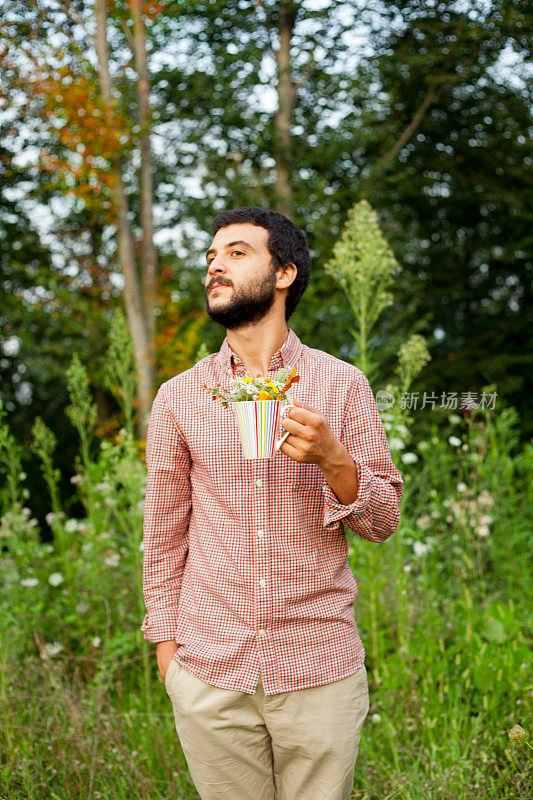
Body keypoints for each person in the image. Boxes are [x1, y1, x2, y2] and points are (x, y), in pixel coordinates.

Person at [141, 206, 404, 800]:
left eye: (236, 253)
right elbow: (164, 529)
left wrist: (335, 460)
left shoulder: (342, 384)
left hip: (320, 666)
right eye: (211, 257)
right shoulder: (180, 397)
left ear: (283, 273)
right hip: (211, 669)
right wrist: (168, 651)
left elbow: (383, 521)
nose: (215, 266)